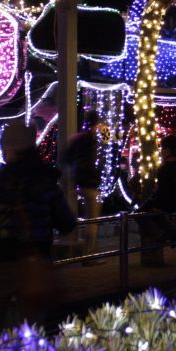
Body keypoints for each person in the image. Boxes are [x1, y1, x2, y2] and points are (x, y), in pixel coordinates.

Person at [0, 121, 76, 330]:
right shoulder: (45, 181)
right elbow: (67, 223)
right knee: (33, 329)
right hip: (33, 263)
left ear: (9, 149)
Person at [137, 135, 176, 265]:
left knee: (139, 214)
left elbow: (163, 193)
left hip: (169, 202)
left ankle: (165, 235)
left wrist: (156, 204)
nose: (160, 151)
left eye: (161, 148)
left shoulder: (164, 169)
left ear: (166, 150)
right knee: (150, 207)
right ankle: (172, 232)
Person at [65, 113, 103, 263]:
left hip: (78, 182)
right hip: (90, 184)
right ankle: (89, 256)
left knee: (82, 219)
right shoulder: (92, 139)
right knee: (92, 221)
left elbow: (67, 158)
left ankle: (82, 253)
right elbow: (92, 162)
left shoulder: (76, 139)